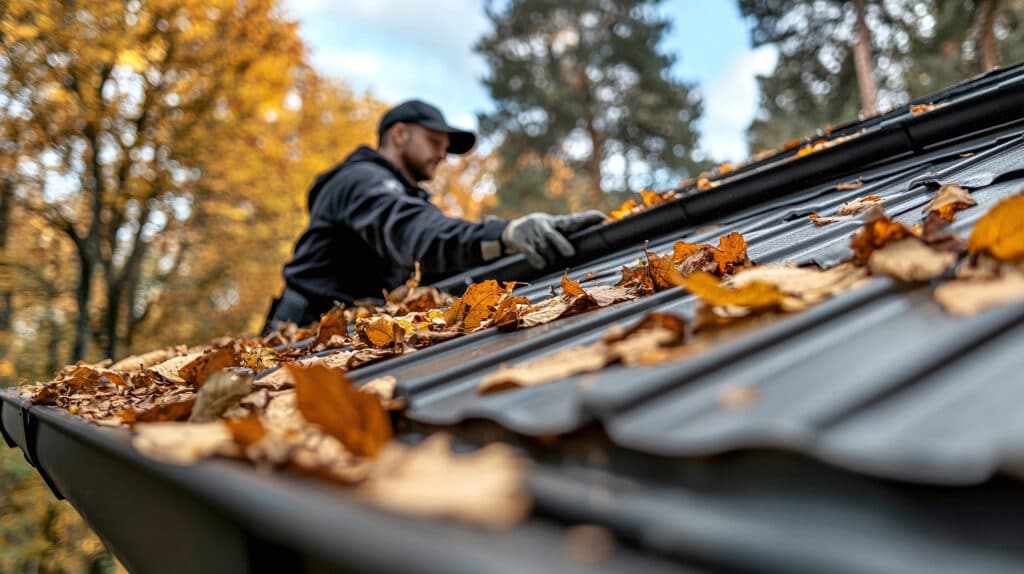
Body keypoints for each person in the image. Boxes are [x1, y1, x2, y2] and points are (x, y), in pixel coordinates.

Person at [263, 99, 604, 331]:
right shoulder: (361, 180)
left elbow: (436, 264)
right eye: (433, 141)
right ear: (399, 134)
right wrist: (504, 233)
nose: (442, 155)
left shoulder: (404, 195)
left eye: (445, 147)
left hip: (352, 330)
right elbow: (418, 234)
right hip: (306, 332)